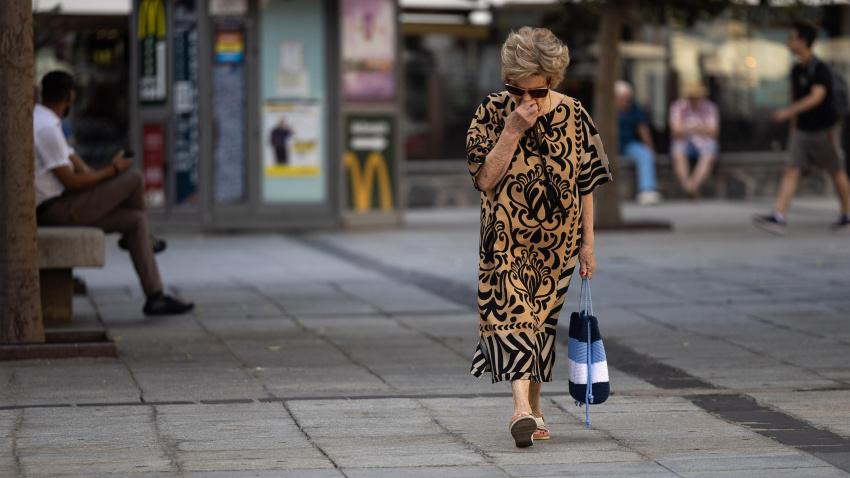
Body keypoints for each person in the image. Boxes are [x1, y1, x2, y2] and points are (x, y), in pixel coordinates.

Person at [466, 27, 612, 448]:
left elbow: (587, 183)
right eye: (515, 89)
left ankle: (536, 410)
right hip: (505, 239)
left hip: (557, 245)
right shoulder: (492, 112)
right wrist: (511, 130)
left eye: (535, 92)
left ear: (552, 80)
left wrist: (588, 244)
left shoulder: (575, 114)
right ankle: (520, 411)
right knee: (512, 316)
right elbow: (484, 178)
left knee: (540, 325)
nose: (525, 101)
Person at [34, 70, 194, 316]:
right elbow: (73, 182)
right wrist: (113, 171)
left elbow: (81, 168)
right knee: (135, 178)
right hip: (56, 209)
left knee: (135, 220)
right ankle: (147, 241)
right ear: (70, 96)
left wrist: (108, 174)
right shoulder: (45, 128)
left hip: (65, 204)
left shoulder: (47, 121)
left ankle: (155, 297)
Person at [753, 21, 850, 234]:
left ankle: (847, 214)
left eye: (792, 38)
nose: (788, 43)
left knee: (836, 171)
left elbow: (817, 97)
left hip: (825, 129)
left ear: (803, 42)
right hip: (803, 131)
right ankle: (779, 216)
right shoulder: (797, 70)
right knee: (792, 169)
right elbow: (796, 98)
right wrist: (793, 128)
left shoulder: (820, 68)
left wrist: (788, 112)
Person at [668, 82, 720, 197]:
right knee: (678, 152)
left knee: (709, 153)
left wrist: (687, 128)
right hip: (684, 141)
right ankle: (689, 187)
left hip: (704, 142)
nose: (693, 99)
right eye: (691, 97)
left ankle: (691, 187)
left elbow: (713, 132)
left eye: (696, 97)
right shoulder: (678, 106)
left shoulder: (709, 107)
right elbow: (676, 131)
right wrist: (699, 128)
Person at [615, 81, 661, 205]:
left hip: (628, 144)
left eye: (629, 99)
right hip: (607, 146)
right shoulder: (606, 109)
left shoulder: (634, 108)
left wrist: (650, 148)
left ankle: (647, 190)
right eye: (624, 99)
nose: (627, 102)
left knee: (645, 154)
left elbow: (642, 129)